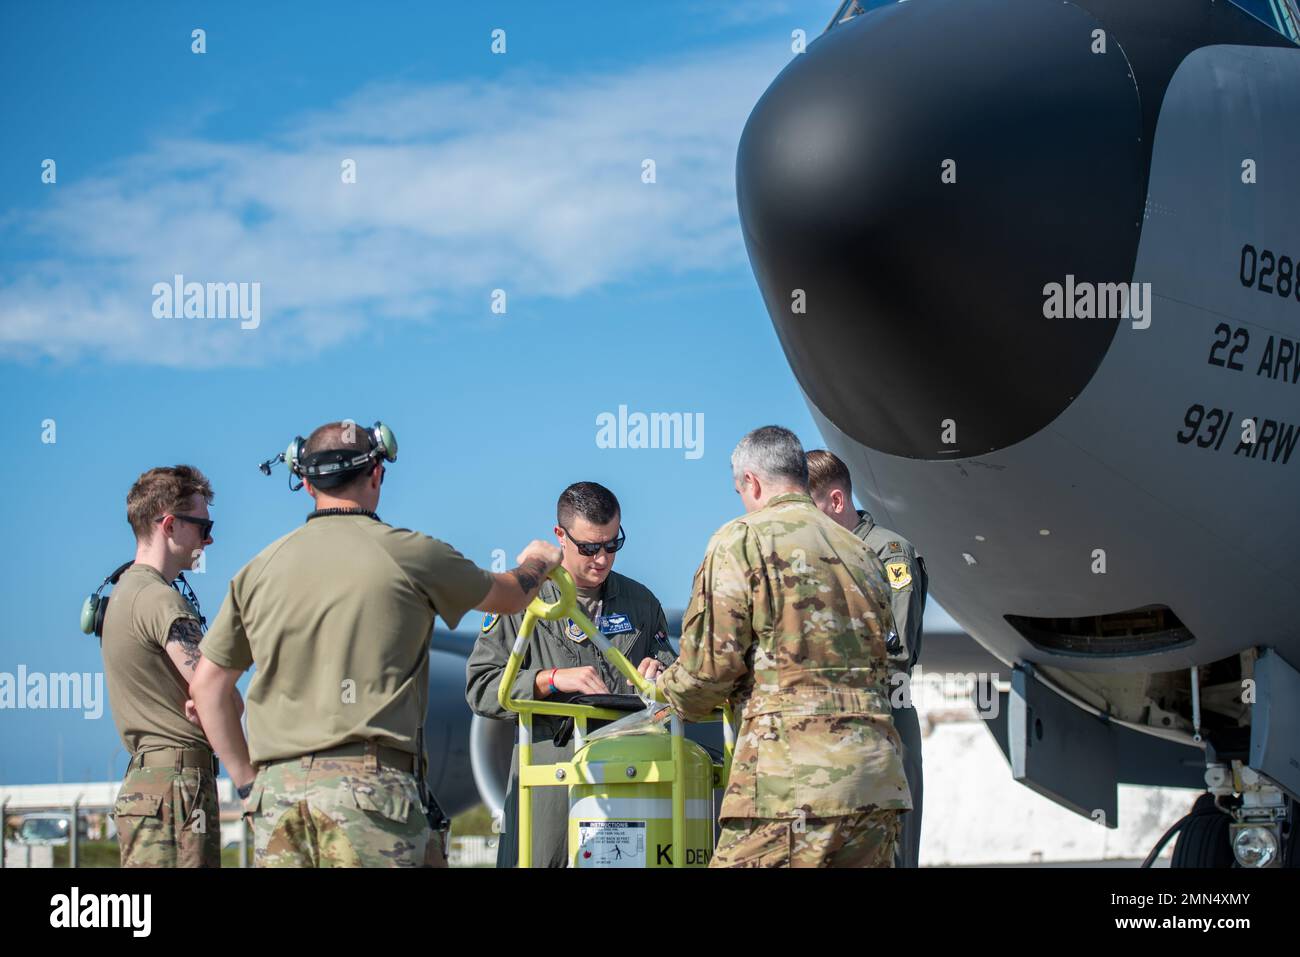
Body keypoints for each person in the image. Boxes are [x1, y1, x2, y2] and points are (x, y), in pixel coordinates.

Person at [191, 420, 560, 867]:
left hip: (279, 798)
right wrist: (539, 561)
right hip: (369, 791)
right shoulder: (411, 555)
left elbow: (208, 687)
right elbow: (511, 595)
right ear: (377, 474)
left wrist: (249, 785)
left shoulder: (257, 571)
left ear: (305, 483)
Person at [656, 426, 910, 867]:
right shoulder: (862, 553)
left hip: (790, 783)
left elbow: (708, 672)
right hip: (876, 779)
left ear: (751, 482)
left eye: (740, 489)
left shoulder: (741, 540)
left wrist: (663, 690)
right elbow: (884, 661)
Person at [466, 481, 676, 867]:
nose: (602, 559)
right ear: (560, 535)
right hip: (548, 783)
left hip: (626, 785)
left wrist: (661, 671)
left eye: (613, 544)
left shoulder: (641, 603)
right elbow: (481, 687)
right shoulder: (518, 598)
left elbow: (671, 675)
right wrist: (549, 680)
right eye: (590, 547)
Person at [102, 465, 231, 867]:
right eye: (202, 526)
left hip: (149, 784)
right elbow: (213, 691)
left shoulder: (123, 594)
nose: (208, 539)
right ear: (170, 525)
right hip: (178, 789)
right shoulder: (162, 601)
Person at [806, 448, 928, 868]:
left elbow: (895, 648)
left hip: (883, 722)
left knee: (890, 854)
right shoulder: (814, 561)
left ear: (835, 501)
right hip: (831, 728)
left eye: (809, 508)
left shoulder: (888, 554)